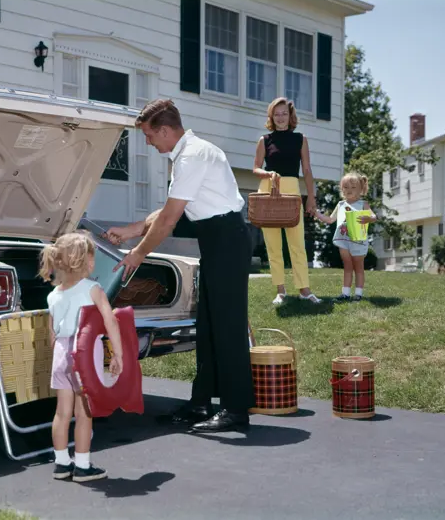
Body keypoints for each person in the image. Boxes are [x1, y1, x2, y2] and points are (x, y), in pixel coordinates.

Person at [106, 98, 254, 433]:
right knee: (208, 326)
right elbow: (170, 209)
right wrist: (130, 230)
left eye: (148, 135)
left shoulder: (192, 155)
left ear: (165, 130)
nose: (147, 141)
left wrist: (138, 253)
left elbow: (170, 218)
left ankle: (235, 410)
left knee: (228, 327)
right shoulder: (188, 154)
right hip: (217, 240)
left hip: (228, 239)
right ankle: (201, 403)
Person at [40, 232, 124, 483]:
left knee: (62, 413)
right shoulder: (93, 289)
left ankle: (62, 463)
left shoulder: (53, 295)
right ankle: (83, 465)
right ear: (85, 262)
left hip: (61, 353)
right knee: (84, 411)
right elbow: (110, 319)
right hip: (85, 352)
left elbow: (52, 333)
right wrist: (117, 353)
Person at [252, 97, 321, 305]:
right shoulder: (264, 140)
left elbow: (307, 170)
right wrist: (267, 174)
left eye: (284, 113)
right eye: (276, 114)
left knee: (297, 243)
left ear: (290, 116)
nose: (280, 117)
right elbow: (255, 168)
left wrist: (311, 198)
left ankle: (304, 290)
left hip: (292, 191)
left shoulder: (301, 138)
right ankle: (280, 291)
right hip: (268, 190)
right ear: (271, 117)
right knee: (273, 245)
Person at [314, 172, 376, 301]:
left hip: (358, 240)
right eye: (346, 187)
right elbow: (330, 220)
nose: (349, 190)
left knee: (358, 267)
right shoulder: (341, 204)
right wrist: (316, 213)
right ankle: (345, 294)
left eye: (353, 187)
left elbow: (373, 216)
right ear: (342, 189)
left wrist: (368, 218)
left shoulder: (363, 204)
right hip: (343, 240)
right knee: (347, 266)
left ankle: (358, 294)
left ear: (361, 189)